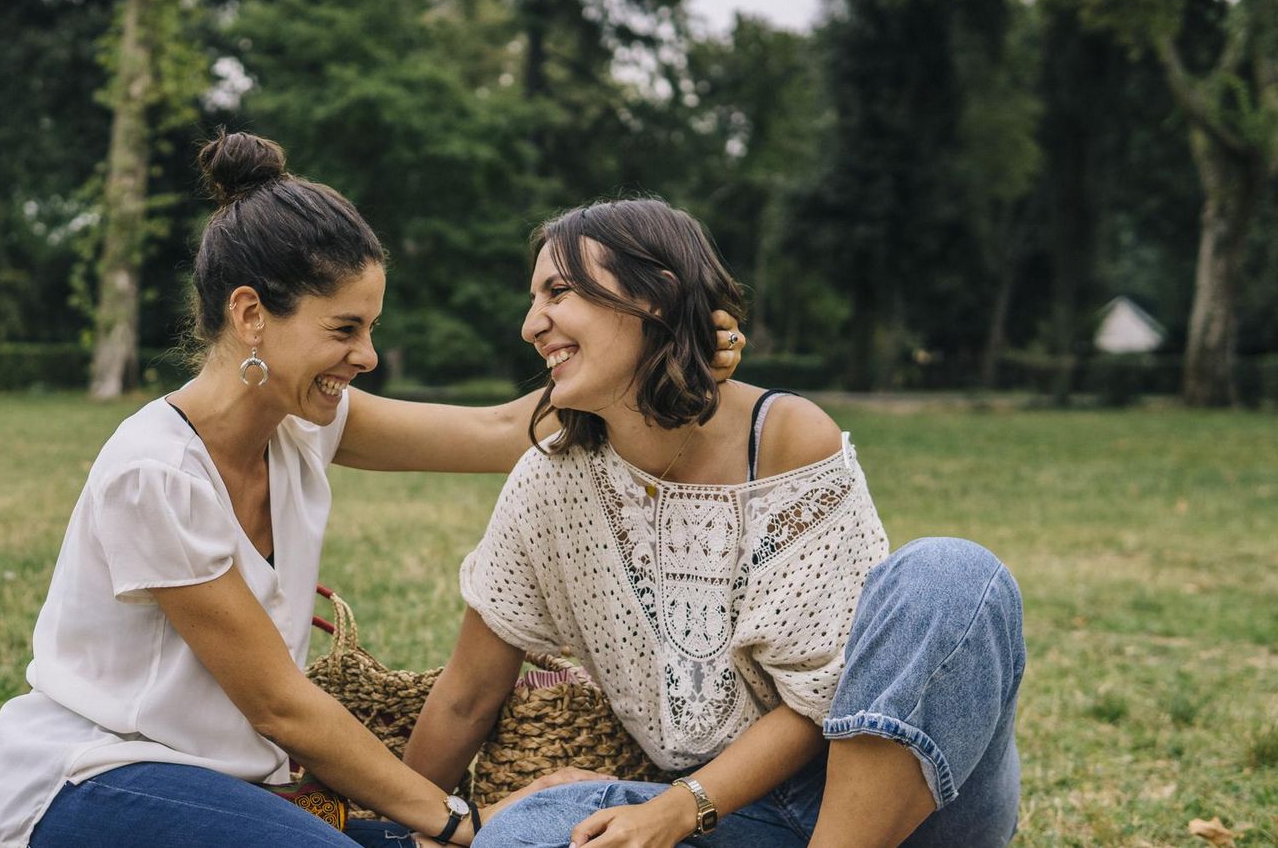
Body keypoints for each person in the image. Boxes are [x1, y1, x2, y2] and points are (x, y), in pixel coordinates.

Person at [0, 134, 748, 848]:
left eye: (369, 327)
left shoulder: (304, 425)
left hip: (225, 791)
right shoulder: (153, 475)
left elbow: (502, 432)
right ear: (250, 315)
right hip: (87, 780)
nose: (366, 356)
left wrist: (666, 353)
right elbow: (281, 708)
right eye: (344, 330)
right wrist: (452, 818)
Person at [401, 198, 1025, 848]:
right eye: (532, 299)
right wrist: (406, 827)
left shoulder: (786, 441)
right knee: (526, 828)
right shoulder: (549, 481)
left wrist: (684, 804)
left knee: (950, 573)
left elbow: (820, 701)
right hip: (732, 819)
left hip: (902, 804)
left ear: (658, 298)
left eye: (559, 290)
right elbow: (466, 697)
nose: (533, 324)